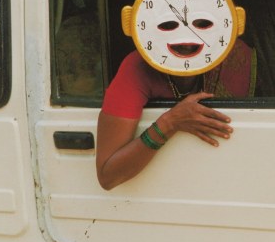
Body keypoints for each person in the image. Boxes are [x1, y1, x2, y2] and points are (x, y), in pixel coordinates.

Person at [95, 37, 254, 190]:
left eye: (200, 23)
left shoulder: (235, 55)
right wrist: (169, 123)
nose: (186, 39)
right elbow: (108, 176)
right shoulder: (139, 65)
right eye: (171, 25)